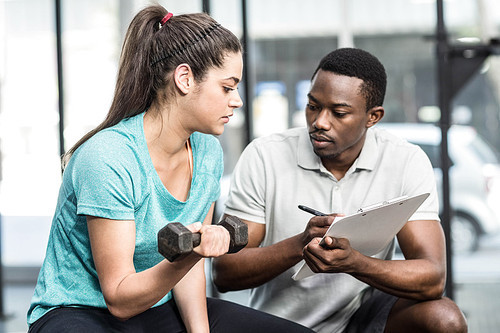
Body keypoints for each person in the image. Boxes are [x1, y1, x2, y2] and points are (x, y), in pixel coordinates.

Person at [27, 5, 314, 333]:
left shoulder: (207, 152)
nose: (237, 100)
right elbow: (120, 299)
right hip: (79, 313)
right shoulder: (108, 157)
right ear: (185, 78)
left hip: (155, 307)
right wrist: (194, 251)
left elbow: (188, 270)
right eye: (227, 87)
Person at [212, 48, 468, 332]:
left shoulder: (405, 161)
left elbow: (433, 278)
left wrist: (355, 263)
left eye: (339, 112)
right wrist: (300, 245)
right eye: (313, 106)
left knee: (445, 319)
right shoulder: (264, 156)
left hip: (362, 319)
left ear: (373, 117)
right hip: (282, 323)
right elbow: (225, 272)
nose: (320, 122)